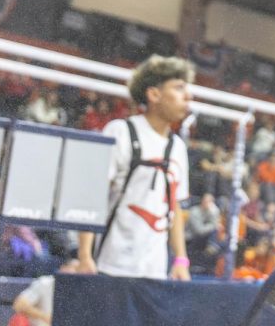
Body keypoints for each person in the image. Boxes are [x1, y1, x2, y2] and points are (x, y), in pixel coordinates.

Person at [76, 54, 194, 281]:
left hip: (155, 270)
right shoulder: (121, 131)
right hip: (111, 264)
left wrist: (181, 259)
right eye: (179, 88)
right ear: (154, 94)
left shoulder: (177, 147)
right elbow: (93, 195)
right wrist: (84, 255)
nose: (188, 96)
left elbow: (175, 207)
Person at [11, 259, 80, 325]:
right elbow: (19, 305)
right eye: (74, 268)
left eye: (78, 271)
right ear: (63, 268)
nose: (75, 273)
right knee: (18, 319)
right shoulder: (45, 283)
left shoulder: (79, 292)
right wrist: (44, 316)